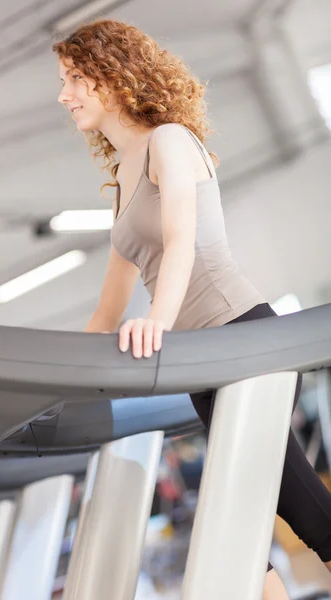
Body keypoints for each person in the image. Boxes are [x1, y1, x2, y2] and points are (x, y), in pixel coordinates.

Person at [53, 19, 331, 599]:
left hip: (239, 338)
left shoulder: (170, 141)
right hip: (201, 361)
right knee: (239, 526)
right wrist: (54, 395)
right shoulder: (125, 177)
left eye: (75, 78)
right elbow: (106, 312)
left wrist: (157, 322)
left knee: (302, 511)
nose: (65, 95)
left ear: (113, 75)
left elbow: (181, 239)